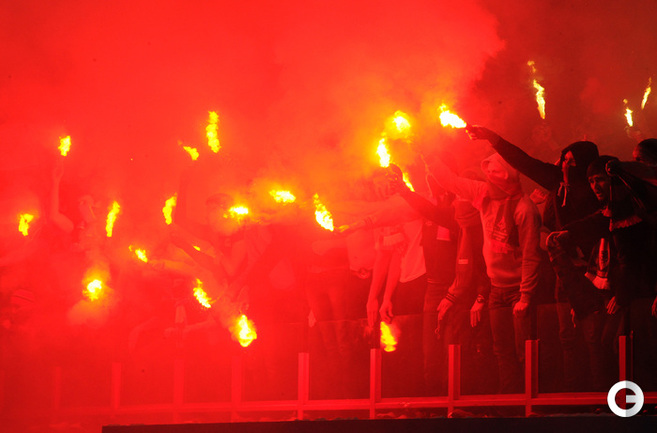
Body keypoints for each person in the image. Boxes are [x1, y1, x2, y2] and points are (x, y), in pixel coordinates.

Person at [466, 126, 601, 391]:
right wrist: (493, 138)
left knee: (594, 337)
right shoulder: (558, 182)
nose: (565, 165)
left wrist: (572, 236)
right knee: (567, 337)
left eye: (572, 161)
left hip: (592, 272)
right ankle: (573, 398)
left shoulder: (594, 191)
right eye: (564, 159)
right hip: (564, 272)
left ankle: (600, 397)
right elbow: (525, 162)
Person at [428, 152, 542, 393]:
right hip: (497, 290)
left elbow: (531, 256)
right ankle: (510, 405)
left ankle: (531, 405)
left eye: (493, 176)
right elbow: (450, 181)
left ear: (505, 179)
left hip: (519, 290)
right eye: (487, 176)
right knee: (502, 351)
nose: (487, 180)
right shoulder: (484, 193)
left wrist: (525, 296)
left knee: (525, 351)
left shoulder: (524, 209)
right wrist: (427, 154)